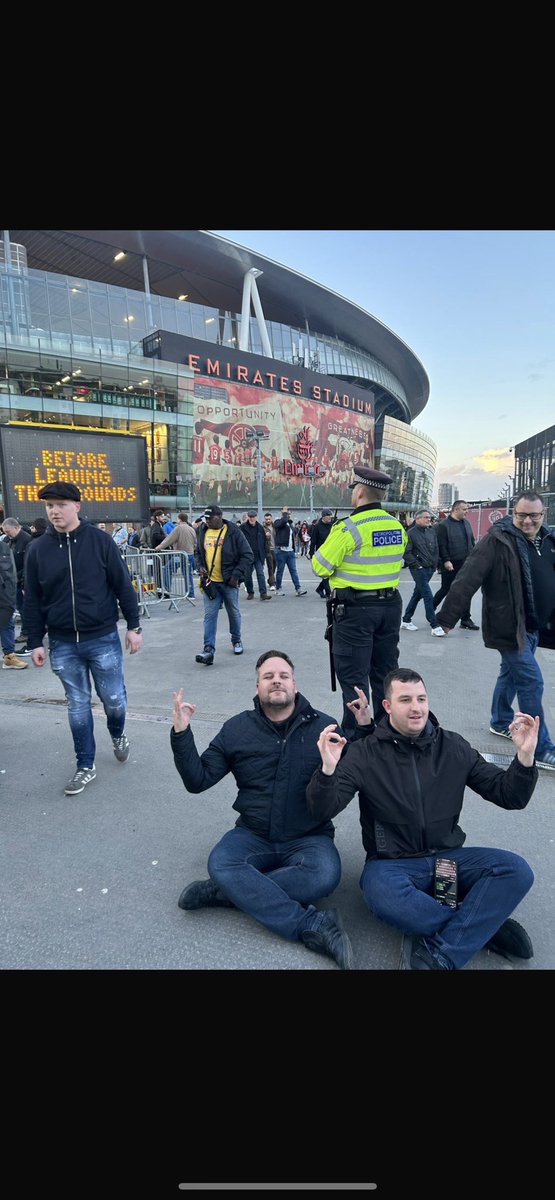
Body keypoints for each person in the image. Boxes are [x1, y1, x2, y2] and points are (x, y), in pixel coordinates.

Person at [306, 667, 538, 970]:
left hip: (446, 863)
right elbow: (324, 809)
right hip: (392, 865)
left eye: (421, 698)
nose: (416, 708)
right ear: (388, 706)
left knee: (515, 870)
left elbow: (510, 796)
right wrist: (326, 771)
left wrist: (524, 758)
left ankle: (442, 950)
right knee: (380, 892)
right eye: (405, 700)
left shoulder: (454, 746)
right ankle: (478, 928)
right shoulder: (365, 753)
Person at [171, 650, 353, 969]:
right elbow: (197, 780)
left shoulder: (325, 728)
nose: (276, 681)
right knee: (222, 862)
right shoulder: (236, 729)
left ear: (295, 684)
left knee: (325, 875)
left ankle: (226, 892)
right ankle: (313, 926)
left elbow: (349, 779)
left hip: (308, 836)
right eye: (268, 677)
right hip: (253, 834)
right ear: (257, 687)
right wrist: (182, 734)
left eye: (283, 675)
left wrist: (350, 741)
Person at [23, 482, 143, 795]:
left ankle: (118, 734)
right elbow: (33, 600)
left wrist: (134, 626)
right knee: (77, 704)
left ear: (77, 505)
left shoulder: (100, 542)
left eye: (60, 504)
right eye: (49, 505)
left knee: (114, 699)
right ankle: (85, 765)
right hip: (62, 644)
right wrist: (35, 640)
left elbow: (122, 586)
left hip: (102, 637)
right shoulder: (37, 550)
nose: (54, 510)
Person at [438, 490, 555, 769]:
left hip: (535, 625)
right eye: (521, 515)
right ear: (513, 513)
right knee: (531, 681)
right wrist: (446, 618)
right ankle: (539, 748)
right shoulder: (497, 540)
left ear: (543, 515)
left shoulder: (548, 539)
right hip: (509, 627)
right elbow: (468, 577)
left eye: (533, 515)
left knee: (510, 675)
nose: (527, 521)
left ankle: (500, 720)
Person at [311, 466, 407, 733]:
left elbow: (320, 566)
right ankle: (389, 732)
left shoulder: (348, 528)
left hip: (355, 612)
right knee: (385, 674)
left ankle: (357, 739)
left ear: (361, 491)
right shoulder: (396, 526)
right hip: (389, 607)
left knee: (354, 679)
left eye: (354, 490)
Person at [194, 504, 253, 665]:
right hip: (210, 583)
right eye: (205, 518)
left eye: (209, 518)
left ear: (219, 517)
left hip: (228, 582)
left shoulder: (233, 531)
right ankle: (208, 650)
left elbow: (247, 555)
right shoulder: (203, 531)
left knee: (233, 612)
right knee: (209, 616)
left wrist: (236, 576)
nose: (206, 521)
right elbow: (198, 552)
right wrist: (200, 567)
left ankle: (236, 640)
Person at [432, 500, 479, 629]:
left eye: (467, 509)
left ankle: (465, 620)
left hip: (466, 562)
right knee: (446, 589)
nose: (467, 512)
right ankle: (431, 610)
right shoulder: (443, 525)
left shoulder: (466, 523)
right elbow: (441, 545)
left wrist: (474, 558)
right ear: (456, 509)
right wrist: (446, 560)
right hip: (451, 563)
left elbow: (471, 541)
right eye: (464, 509)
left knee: (466, 590)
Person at [400, 508, 445, 635]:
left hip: (430, 568)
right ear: (418, 519)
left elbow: (436, 548)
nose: (429, 519)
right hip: (418, 570)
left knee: (417, 594)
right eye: (426, 517)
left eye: (429, 517)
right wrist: (416, 565)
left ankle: (406, 619)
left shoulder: (431, 531)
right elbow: (406, 552)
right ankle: (435, 625)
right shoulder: (411, 533)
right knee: (427, 595)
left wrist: (436, 564)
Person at [0, 536, 28, 669]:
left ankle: (9, 656)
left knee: (8, 623)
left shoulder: (4, 546)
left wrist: (11, 593)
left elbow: (11, 573)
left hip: (5, 594)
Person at [155, 511, 197, 598]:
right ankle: (191, 594)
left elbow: (169, 540)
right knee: (187, 574)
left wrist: (158, 548)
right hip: (190, 554)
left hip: (180, 554)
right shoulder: (191, 529)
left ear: (179, 519)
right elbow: (195, 543)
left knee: (167, 569)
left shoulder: (178, 528)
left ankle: (167, 589)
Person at [273, 507, 307, 595]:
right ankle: (278, 588)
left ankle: (298, 588)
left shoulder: (289, 523)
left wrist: (291, 522)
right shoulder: (278, 522)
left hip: (290, 551)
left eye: (289, 512)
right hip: (281, 551)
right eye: (286, 512)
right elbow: (282, 523)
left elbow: (295, 532)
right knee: (280, 570)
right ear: (282, 512)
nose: (288, 513)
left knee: (293, 570)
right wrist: (285, 514)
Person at [241, 510, 272, 600]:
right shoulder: (242, 528)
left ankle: (263, 593)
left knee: (260, 574)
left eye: (253, 517)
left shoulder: (260, 527)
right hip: (247, 556)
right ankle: (250, 592)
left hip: (258, 555)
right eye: (250, 517)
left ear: (256, 517)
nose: (252, 518)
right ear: (248, 517)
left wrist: (266, 553)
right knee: (247, 575)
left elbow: (264, 542)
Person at [309, 508, 334, 598]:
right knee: (325, 574)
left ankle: (320, 588)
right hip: (322, 553)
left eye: (331, 515)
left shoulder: (332, 525)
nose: (330, 517)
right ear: (323, 517)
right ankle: (328, 593)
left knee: (331, 573)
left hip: (332, 552)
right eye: (328, 516)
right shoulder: (317, 527)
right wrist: (311, 554)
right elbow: (313, 541)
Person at [263, 512, 277, 590]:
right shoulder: (263, 528)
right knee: (270, 566)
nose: (268, 520)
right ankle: (272, 583)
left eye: (269, 519)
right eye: (266, 519)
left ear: (271, 519)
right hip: (268, 549)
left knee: (275, 565)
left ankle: (270, 579)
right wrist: (265, 536)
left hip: (276, 549)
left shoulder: (275, 527)